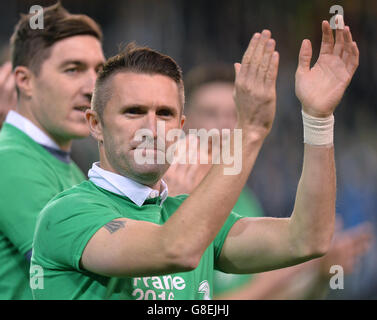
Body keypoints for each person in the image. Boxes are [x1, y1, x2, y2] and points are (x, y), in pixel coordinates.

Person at [31, 18, 359, 299]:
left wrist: (318, 119)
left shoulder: (186, 213)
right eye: (133, 112)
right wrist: (250, 131)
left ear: (181, 127)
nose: (151, 128)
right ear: (95, 124)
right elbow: (176, 249)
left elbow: (308, 238)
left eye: (165, 114)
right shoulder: (67, 214)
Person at [164, 64, 372, 299]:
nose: (224, 126)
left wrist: (319, 276)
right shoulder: (159, 196)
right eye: (211, 113)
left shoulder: (243, 201)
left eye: (235, 115)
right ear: (183, 123)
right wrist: (284, 273)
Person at [0, 3, 105, 299]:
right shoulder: (9, 160)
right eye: (73, 69)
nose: (93, 87)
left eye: (100, 69)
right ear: (25, 80)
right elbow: (86, 271)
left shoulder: (63, 164)